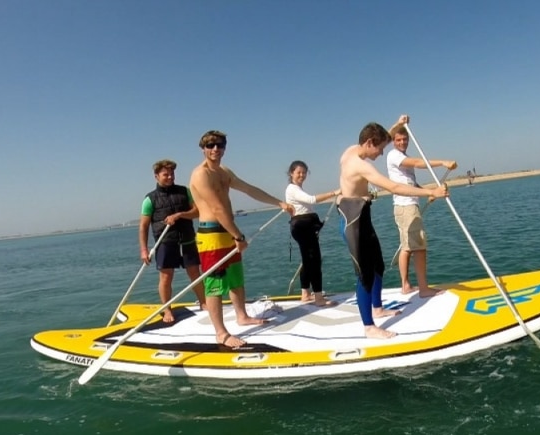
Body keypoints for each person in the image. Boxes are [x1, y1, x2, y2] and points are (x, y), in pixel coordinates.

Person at [338, 116, 449, 339]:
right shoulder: (360, 166)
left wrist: (397, 124)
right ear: (369, 143)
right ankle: (369, 327)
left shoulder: (353, 149)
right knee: (365, 275)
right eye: (379, 149)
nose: (381, 153)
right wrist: (431, 192)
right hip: (352, 219)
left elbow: (384, 138)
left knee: (378, 266)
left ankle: (377, 308)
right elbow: (394, 186)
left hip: (363, 214)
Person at [189, 130, 295, 349]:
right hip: (211, 234)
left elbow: (249, 189)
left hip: (227, 231)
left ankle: (242, 316)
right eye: (210, 146)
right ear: (203, 149)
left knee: (236, 277)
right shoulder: (201, 175)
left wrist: (278, 202)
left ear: (224, 148)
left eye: (219, 145)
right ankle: (221, 333)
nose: (215, 149)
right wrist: (238, 235)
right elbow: (217, 208)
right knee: (215, 285)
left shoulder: (224, 171)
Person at [386, 120, 457, 297]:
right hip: (406, 207)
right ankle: (424, 289)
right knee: (419, 247)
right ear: (393, 141)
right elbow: (418, 163)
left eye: (405, 139)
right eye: (398, 140)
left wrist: (429, 193)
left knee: (407, 247)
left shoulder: (400, 156)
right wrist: (442, 162)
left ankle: (406, 286)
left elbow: (410, 183)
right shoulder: (394, 155)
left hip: (406, 206)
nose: (402, 142)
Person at [139, 159, 206, 323]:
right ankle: (167, 309)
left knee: (194, 272)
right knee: (166, 277)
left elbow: (197, 212)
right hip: (166, 242)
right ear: (156, 176)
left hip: (187, 239)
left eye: (172, 174)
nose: (170, 177)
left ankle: (204, 303)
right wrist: (144, 250)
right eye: (165, 174)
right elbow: (143, 226)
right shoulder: (150, 199)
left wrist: (180, 215)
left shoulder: (185, 192)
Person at [284, 160, 340, 306]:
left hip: (304, 227)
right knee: (314, 261)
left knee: (307, 260)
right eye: (298, 172)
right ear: (291, 173)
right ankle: (319, 298)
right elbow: (311, 200)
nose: (301, 175)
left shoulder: (297, 189)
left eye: (304, 172)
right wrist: (334, 192)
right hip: (302, 228)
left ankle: (305, 293)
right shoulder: (292, 189)